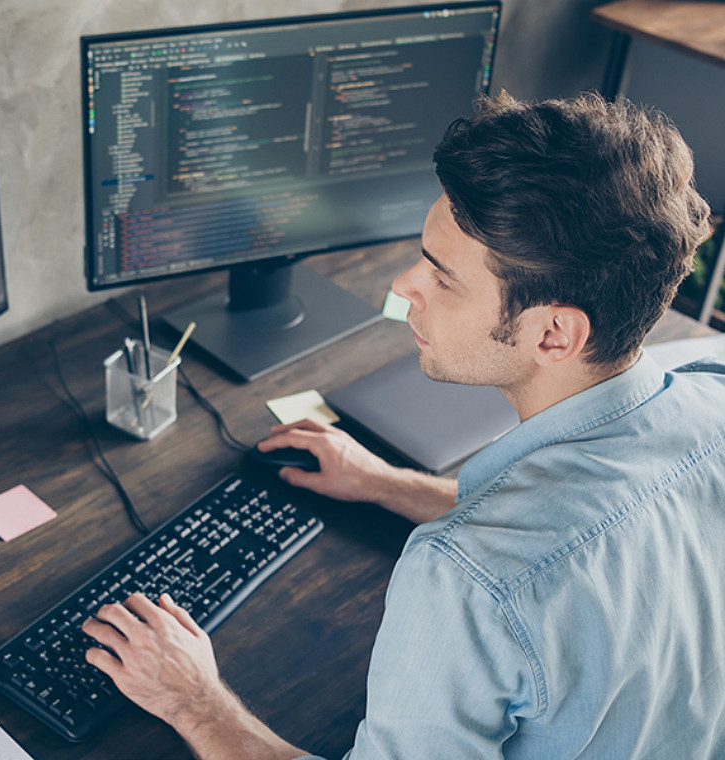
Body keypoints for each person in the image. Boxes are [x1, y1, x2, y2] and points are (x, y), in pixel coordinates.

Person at [82, 92, 725, 759]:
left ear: (555, 333)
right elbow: (590, 536)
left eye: (442, 277)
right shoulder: (713, 402)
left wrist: (193, 699)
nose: (404, 283)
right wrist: (390, 485)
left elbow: (525, 564)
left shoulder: (463, 579)